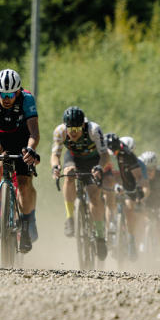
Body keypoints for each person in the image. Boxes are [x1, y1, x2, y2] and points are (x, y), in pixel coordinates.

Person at [0, 69, 40, 253]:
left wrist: (31, 149)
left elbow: (34, 133)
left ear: (18, 92)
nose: (6, 98)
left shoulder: (27, 99)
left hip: (21, 137)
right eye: (2, 94)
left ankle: (25, 225)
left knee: (24, 184)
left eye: (10, 94)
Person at [50, 106, 110, 260]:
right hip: (73, 158)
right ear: (65, 126)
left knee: (94, 194)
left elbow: (104, 155)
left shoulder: (94, 130)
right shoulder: (60, 131)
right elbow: (55, 155)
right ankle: (70, 218)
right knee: (69, 175)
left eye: (77, 128)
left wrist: (99, 168)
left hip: (93, 160)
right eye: (71, 128)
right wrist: (55, 168)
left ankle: (100, 235)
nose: (74, 132)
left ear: (83, 125)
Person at [103, 133, 148, 261]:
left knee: (129, 208)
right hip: (111, 183)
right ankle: (108, 230)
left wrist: (139, 190)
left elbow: (139, 177)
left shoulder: (128, 156)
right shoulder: (103, 155)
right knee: (107, 198)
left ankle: (131, 239)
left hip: (128, 184)